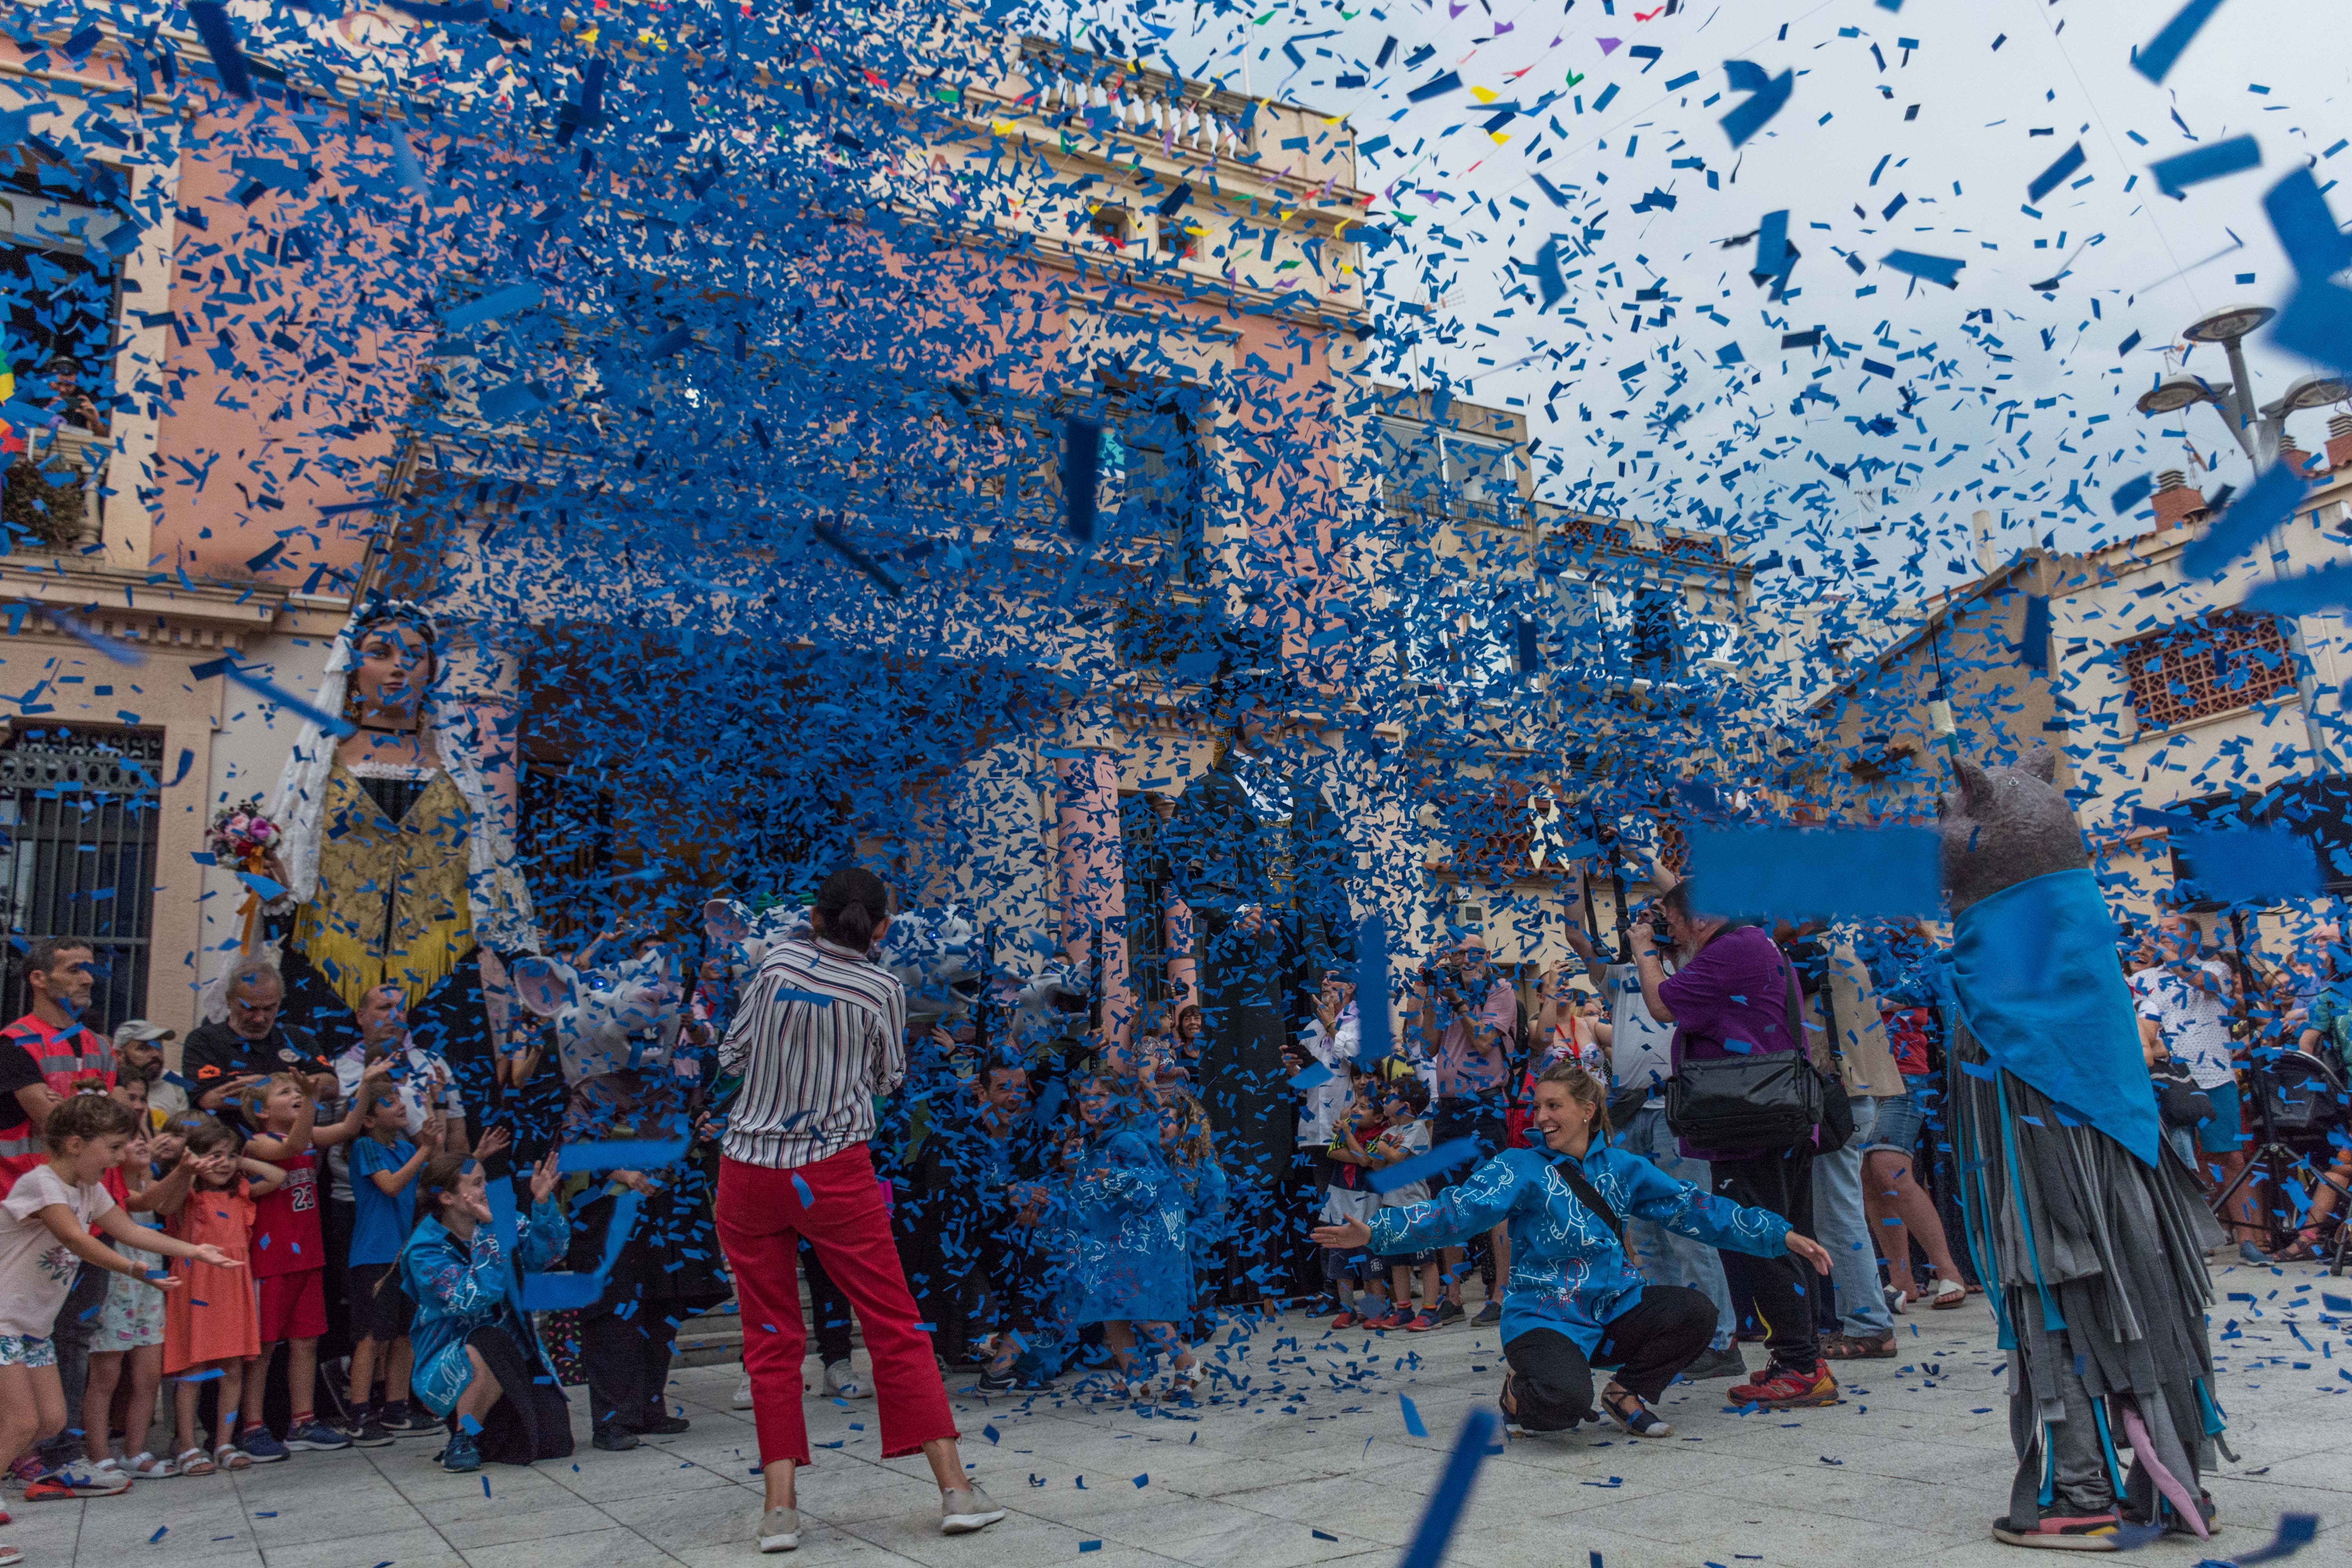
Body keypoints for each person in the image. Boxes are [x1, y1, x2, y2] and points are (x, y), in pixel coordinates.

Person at [713, 866, 1003, 1551]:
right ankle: (955, 1489)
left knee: (773, 1339)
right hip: (832, 1168)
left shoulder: (777, 960)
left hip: (749, 1168)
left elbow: (730, 1054)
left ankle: (779, 1511)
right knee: (895, 1324)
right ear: (881, 928)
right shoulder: (883, 988)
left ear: (814, 918)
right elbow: (887, 1080)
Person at [1315, 1063, 1834, 1439]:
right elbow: (1457, 1212)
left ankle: (1627, 1393)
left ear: (1588, 1111)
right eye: (1537, 1106)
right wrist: (1378, 1231)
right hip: (1544, 1318)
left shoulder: (1624, 1168)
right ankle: (1518, 1390)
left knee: (1695, 1312)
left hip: (1612, 1310)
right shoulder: (1519, 1166)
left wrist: (1779, 1233)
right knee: (1561, 1407)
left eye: (1553, 1106)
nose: (1539, 1116)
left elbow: (1695, 1208)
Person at [1633, 878, 1837, 1410]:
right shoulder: (1750, 944)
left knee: (1756, 1241)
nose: (1669, 936)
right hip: (1773, 1118)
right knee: (1787, 1238)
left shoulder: (1734, 948)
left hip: (1751, 1124)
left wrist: (1642, 951)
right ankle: (1802, 1359)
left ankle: (1799, 1364)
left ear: (1701, 918)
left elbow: (1661, 1005)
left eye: (1673, 926)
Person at [0, 1096, 242, 1514]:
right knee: (22, 1421)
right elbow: (77, 1239)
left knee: (52, 1422)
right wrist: (137, 1271)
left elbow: (129, 1229)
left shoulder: (89, 1189)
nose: (116, 1159)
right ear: (76, 1144)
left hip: (32, 1327)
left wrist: (196, 1250)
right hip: (4, 1319)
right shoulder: (42, 1183)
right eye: (112, 1148)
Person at [1561, 904, 1743, 1381]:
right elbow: (1577, 934)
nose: (1648, 924)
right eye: (1641, 917)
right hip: (1628, 1112)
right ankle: (1671, 1336)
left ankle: (1720, 1340)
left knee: (1690, 1231)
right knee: (1646, 1235)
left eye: (1659, 917)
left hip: (1675, 1112)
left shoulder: (1695, 967)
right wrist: (1579, 861)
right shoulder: (1622, 974)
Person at [1, 939, 117, 1488]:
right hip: (30, 1223)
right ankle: (35, 1450)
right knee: (26, 1339)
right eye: (75, 969)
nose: (89, 979)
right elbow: (56, 1123)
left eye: (92, 969)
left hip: (93, 1209)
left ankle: (54, 1455)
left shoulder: (99, 1045)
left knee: (71, 1338)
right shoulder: (12, 1044)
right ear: (40, 980)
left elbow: (107, 1131)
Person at [238, 1064, 392, 1459]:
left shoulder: (308, 1137)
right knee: (264, 1348)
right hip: (270, 1260)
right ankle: (253, 1426)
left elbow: (346, 1129)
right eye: (284, 1092)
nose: (294, 1095)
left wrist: (364, 1085)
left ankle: (302, 1421)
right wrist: (310, 1099)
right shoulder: (257, 1144)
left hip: (308, 1254)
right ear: (260, 1110)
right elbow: (288, 1148)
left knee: (306, 1342)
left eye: (297, 1091)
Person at [396, 1148, 571, 1472]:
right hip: (458, 1367)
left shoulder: (499, 1219)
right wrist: (492, 1234)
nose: (486, 1190)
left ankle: (486, 1435)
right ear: (447, 1198)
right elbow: (475, 1297)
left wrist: (544, 1204)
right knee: (488, 1340)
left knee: (554, 1444)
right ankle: (465, 1437)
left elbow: (546, 1255)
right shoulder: (425, 1251)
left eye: (485, 1181)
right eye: (477, 1183)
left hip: (515, 1358)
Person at [1795, 926, 1906, 1362]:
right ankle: (1861, 1321)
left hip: (1836, 1101)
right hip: (1853, 1096)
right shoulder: (1837, 949)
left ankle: (1871, 1327)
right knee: (1839, 1213)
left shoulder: (1809, 955)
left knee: (1839, 1218)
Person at [154, 1116, 284, 1474]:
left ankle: (225, 1440)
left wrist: (240, 1160)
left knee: (232, 1368)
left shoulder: (240, 1193)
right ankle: (188, 1446)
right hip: (196, 1285)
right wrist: (185, 1169)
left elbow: (277, 1178)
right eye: (214, 1156)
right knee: (194, 1368)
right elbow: (166, 1202)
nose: (223, 1163)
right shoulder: (188, 1196)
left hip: (233, 1287)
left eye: (228, 1156)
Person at [82, 1079, 193, 1481]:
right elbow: (142, 1204)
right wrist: (181, 1169)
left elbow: (168, 1201)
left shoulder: (151, 1180)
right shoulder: (107, 1189)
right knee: (106, 1376)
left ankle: (134, 1451)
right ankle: (98, 1454)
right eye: (127, 1143)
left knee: (148, 1375)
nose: (140, 1144)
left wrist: (184, 1171)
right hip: (114, 1287)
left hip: (151, 1288)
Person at [2131, 916, 2256, 1261]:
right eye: (2160, 930)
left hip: (2213, 1075)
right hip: (2168, 1079)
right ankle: (2200, 1238)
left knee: (2230, 1156)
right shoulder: (2143, 979)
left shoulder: (2216, 968)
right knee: (2185, 1160)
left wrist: (2169, 956)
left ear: (2194, 938)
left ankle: (2249, 1241)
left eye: (2172, 930)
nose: (2162, 934)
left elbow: (2203, 984)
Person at [1067, 1074, 1198, 1399]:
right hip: (1105, 1242)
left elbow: (1151, 1186)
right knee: (1109, 1309)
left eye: (1100, 1095)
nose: (1091, 1102)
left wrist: (1115, 1178)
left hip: (1134, 1242)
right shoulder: (1095, 1143)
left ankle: (1188, 1366)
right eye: (1085, 1097)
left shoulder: (1126, 1140)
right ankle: (1133, 1377)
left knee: (1138, 1308)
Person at [1410, 938, 1517, 1328]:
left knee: (1493, 1202)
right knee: (1448, 1199)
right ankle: (1453, 1296)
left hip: (1486, 1106)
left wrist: (1456, 998)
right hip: (1450, 1107)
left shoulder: (1500, 991)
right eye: (1454, 954)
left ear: (1486, 956)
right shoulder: (1445, 994)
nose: (1461, 960)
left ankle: (1499, 1293)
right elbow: (1429, 1046)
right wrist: (1429, 993)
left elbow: (1484, 1040)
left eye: (1469, 953)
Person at [1866, 929, 1972, 1310]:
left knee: (1889, 1165)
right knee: (1870, 1177)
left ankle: (1949, 1271)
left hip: (1908, 1075)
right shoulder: (1856, 956)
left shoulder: (1922, 960)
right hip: (1860, 1077)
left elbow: (1915, 1001)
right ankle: (1902, 1281)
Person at [345, 1084, 441, 1444]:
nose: (401, 1105)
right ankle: (358, 1412)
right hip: (373, 1254)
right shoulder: (364, 1147)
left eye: (401, 1099)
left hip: (405, 1254)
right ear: (368, 1118)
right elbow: (391, 1186)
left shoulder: (404, 1148)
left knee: (404, 1334)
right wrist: (426, 1148)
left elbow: (433, 1176)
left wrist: (434, 1107)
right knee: (372, 1337)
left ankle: (396, 1408)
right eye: (389, 1102)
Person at [180, 956, 338, 1134]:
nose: (260, 1018)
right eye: (251, 1009)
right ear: (229, 1001)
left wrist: (267, 1084)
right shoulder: (204, 1040)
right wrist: (297, 1089)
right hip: (228, 1151)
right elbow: (210, 1100)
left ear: (280, 1002)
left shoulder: (297, 1037)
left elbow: (331, 1086)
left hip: (293, 1147)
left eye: (269, 1008)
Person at [1367, 1075, 1443, 1329]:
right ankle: (1404, 1309)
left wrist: (1383, 1148)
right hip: (1392, 1205)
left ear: (1407, 1106)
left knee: (1425, 1259)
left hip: (1417, 1206)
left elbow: (1397, 1159)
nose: (1385, 1100)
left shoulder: (1418, 1129)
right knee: (1398, 1261)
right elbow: (1377, 1167)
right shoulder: (1389, 1132)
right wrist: (1382, 1149)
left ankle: (1431, 1310)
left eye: (1391, 1096)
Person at [111, 1022, 183, 1119]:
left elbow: (191, 1125)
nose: (156, 1054)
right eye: (144, 1048)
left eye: (159, 1047)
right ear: (119, 1055)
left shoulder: (179, 1082)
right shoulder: (108, 1084)